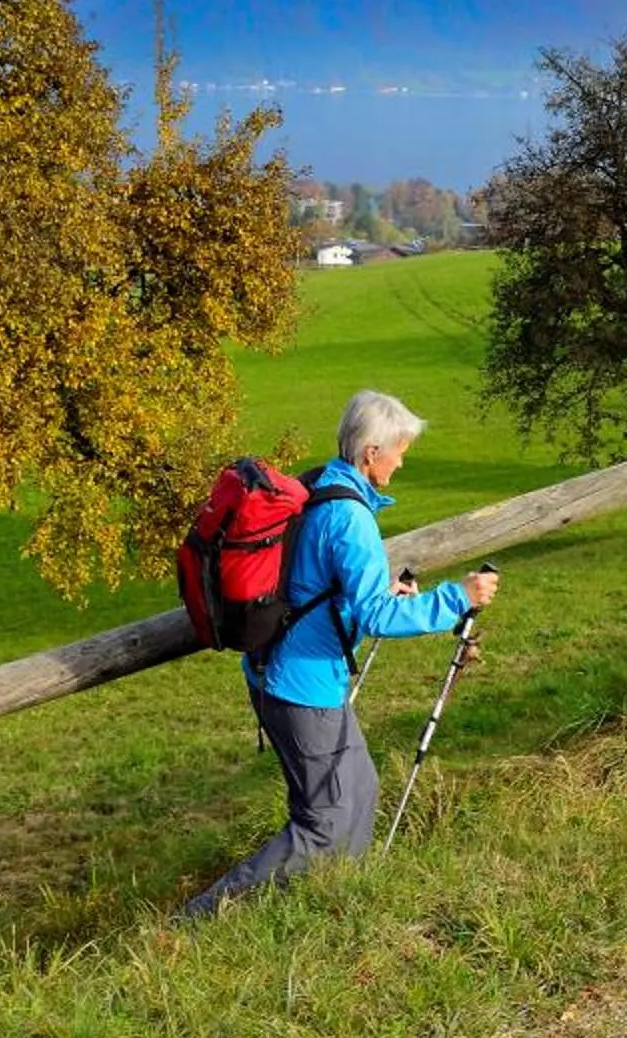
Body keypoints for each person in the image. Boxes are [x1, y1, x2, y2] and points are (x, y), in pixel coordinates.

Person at [182, 389, 500, 918]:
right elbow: (375, 617)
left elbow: (317, 589)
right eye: (399, 448)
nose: (403, 458)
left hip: (291, 674)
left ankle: (335, 901)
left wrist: (382, 593)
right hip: (300, 686)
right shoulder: (349, 517)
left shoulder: (321, 484)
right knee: (322, 822)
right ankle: (203, 918)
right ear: (371, 452)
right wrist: (458, 598)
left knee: (360, 789)